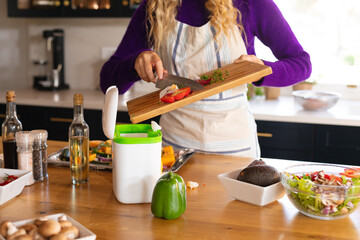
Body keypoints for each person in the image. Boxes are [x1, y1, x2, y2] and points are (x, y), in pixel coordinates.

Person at [100, 0, 312, 158]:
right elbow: (107, 81)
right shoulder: (154, 7)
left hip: (235, 149)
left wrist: (263, 69)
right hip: (174, 148)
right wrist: (134, 63)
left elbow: (302, 64)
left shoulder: (250, 4)